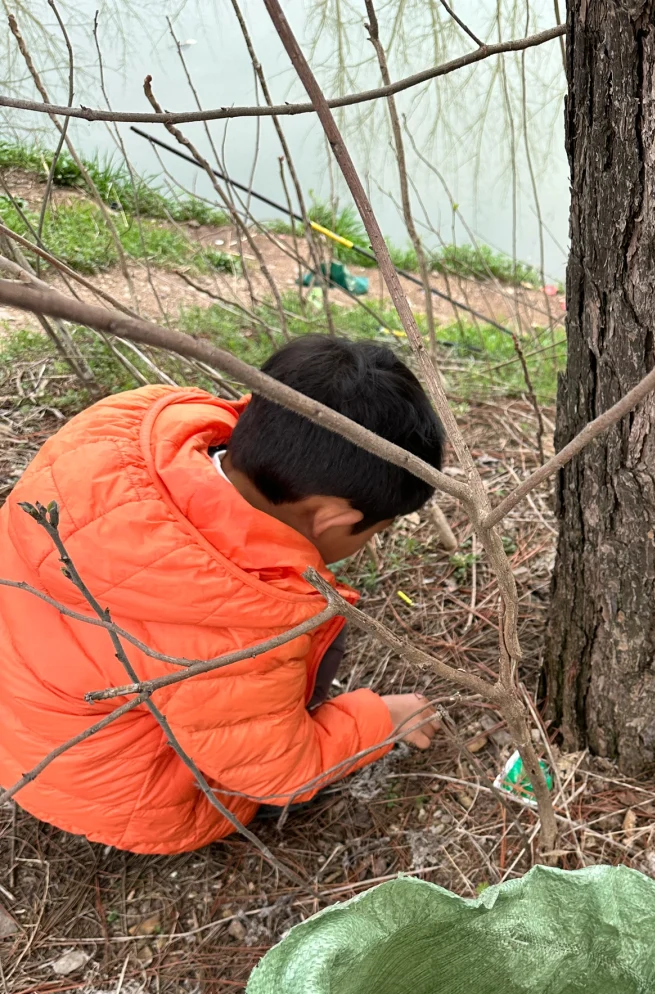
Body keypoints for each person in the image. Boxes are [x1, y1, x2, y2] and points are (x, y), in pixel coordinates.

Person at [0, 335, 443, 854]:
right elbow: (280, 776)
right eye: (377, 529)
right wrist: (381, 719)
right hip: (115, 794)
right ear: (331, 518)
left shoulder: (126, 426)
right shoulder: (239, 617)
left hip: (28, 716)